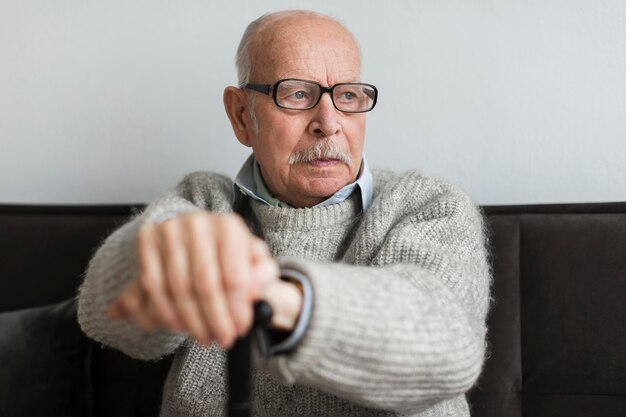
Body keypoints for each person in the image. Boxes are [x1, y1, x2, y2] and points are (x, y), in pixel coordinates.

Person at [78, 9, 491, 417]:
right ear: (242, 115)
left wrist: (278, 296)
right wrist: (155, 259)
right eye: (296, 94)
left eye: (347, 95)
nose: (328, 123)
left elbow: (447, 344)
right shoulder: (203, 203)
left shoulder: (426, 205)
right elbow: (105, 317)